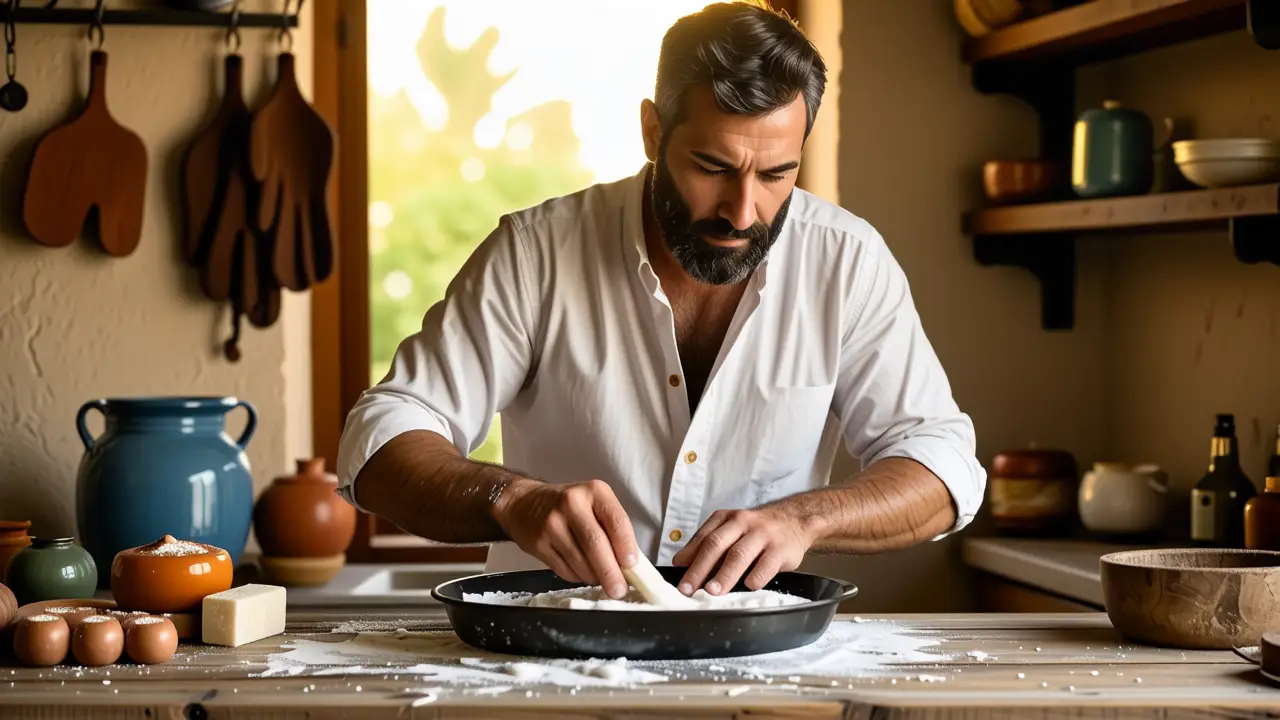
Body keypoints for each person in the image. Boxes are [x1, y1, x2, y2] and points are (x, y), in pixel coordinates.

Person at [336, 1, 986, 601]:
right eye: (712, 167)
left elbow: (944, 466)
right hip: (547, 658)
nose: (743, 211)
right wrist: (510, 498)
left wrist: (803, 519)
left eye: (776, 174)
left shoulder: (846, 260)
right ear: (652, 131)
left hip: (760, 662)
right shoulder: (538, 251)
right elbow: (383, 434)